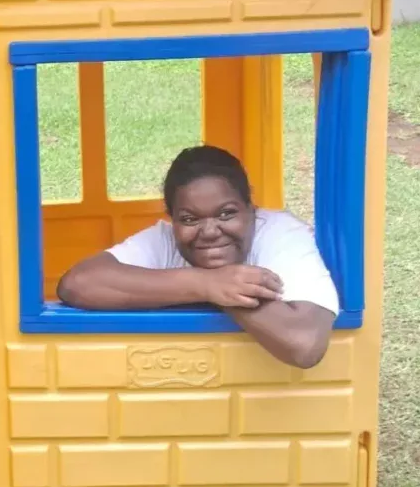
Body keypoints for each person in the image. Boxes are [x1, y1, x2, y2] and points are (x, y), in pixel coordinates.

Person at [56, 145, 337, 369]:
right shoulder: (164, 239)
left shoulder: (279, 233)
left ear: (252, 209)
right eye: (190, 219)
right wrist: (206, 284)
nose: (210, 232)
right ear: (173, 221)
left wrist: (227, 293)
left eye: (226, 213)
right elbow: (78, 283)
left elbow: (304, 344)